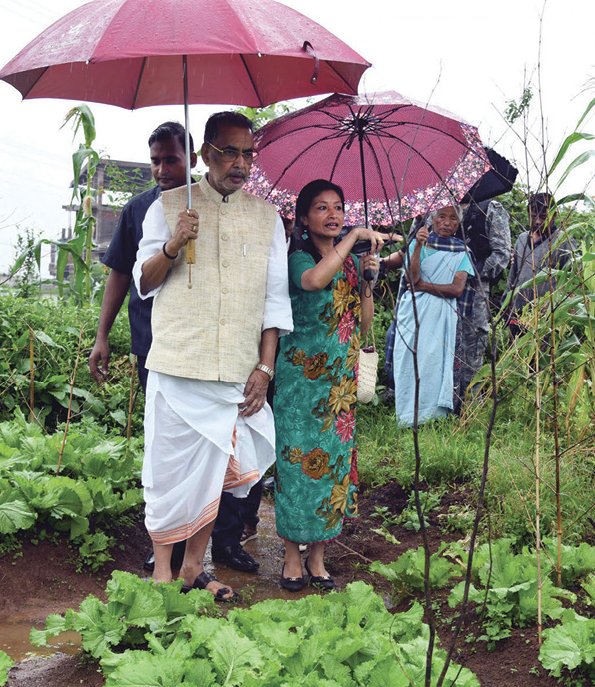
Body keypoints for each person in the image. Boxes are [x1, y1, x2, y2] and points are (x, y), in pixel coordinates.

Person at [88, 121, 262, 576]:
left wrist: (263, 361)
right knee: (170, 452)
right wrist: (103, 335)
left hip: (220, 355)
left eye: (171, 159)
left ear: (194, 157)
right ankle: (167, 549)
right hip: (161, 349)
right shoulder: (145, 209)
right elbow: (123, 274)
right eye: (155, 160)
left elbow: (258, 289)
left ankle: (220, 545)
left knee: (221, 451)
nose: (162, 169)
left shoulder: (239, 210)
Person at [132, 111, 292, 602]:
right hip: (179, 364)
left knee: (214, 471)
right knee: (168, 471)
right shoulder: (167, 206)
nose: (240, 163)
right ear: (205, 154)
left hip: (236, 370)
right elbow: (143, 280)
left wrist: (265, 368)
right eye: (229, 152)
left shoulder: (268, 219)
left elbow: (274, 302)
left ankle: (194, 569)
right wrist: (175, 242)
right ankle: (163, 571)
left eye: (248, 153)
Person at [274, 179, 395, 592]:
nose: (333, 215)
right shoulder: (297, 259)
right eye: (322, 208)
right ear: (304, 219)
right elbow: (312, 282)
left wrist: (367, 282)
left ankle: (319, 557)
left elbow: (361, 323)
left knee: (333, 469)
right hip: (300, 385)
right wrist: (356, 236)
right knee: (297, 467)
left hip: (339, 386)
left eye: (339, 207)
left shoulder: (346, 263)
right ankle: (292, 555)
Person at [392, 204, 475, 426]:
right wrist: (418, 245)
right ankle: (408, 416)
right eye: (442, 217)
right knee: (410, 358)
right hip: (415, 312)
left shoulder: (462, 252)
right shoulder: (418, 244)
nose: (447, 223)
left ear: (458, 224)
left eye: (453, 219)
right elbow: (411, 277)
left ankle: (434, 417)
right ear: (433, 220)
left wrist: (423, 286)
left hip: (443, 315)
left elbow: (457, 289)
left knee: (436, 361)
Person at [452, 197, 512, 405]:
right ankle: (444, 404)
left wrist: (473, 273)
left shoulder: (490, 208)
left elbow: (502, 253)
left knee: (473, 345)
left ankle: (470, 407)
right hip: (442, 288)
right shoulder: (443, 205)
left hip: (475, 289)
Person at [507, 193, 576, 338]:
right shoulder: (521, 239)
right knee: (517, 356)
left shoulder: (563, 241)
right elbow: (513, 276)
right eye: (533, 216)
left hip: (547, 318)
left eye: (544, 217)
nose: (538, 221)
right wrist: (506, 306)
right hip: (518, 314)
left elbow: (573, 279)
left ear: (554, 215)